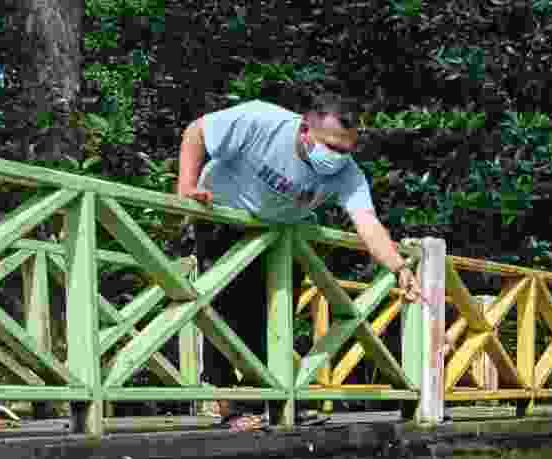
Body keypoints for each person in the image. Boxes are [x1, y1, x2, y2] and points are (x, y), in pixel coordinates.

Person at [174, 95, 418, 426]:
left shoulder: (347, 173)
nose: (338, 158)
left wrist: (398, 267)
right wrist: (186, 188)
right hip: (222, 216)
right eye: (331, 147)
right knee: (224, 312)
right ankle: (228, 407)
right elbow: (197, 130)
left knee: (277, 312)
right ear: (305, 130)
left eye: (346, 151)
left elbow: (367, 223)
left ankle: (274, 400)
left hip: (278, 234)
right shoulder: (261, 121)